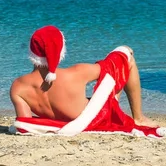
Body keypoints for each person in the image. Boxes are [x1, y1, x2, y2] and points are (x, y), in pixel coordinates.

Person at [10, 25, 156, 128]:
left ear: (31, 52)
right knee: (126, 53)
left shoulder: (18, 87)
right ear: (60, 51)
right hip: (95, 118)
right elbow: (111, 69)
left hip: (69, 121)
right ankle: (138, 118)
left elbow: (26, 124)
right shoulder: (76, 73)